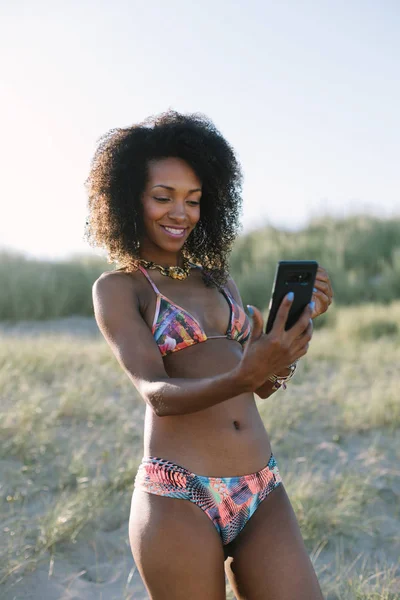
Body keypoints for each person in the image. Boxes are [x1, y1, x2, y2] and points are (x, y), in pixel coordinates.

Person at [86, 110, 333, 599]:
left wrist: (289, 341)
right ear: (127, 198)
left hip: (261, 487)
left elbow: (260, 382)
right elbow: (157, 393)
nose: (180, 213)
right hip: (179, 493)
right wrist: (245, 376)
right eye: (163, 197)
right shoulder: (119, 289)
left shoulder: (219, 279)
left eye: (194, 201)